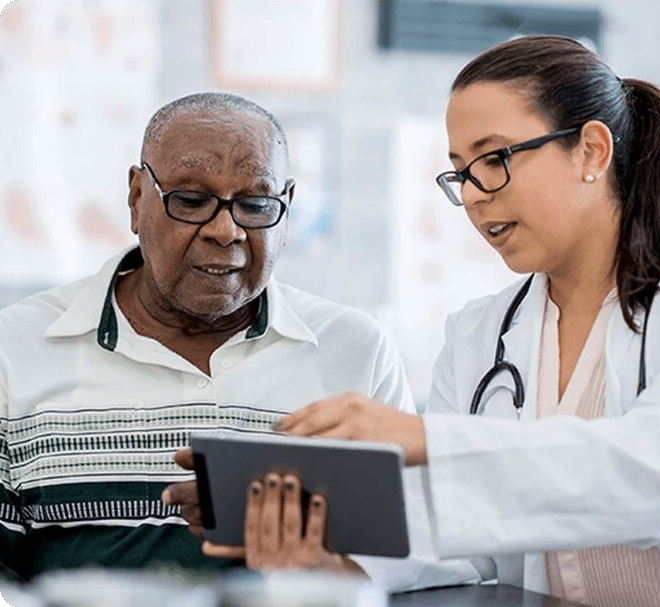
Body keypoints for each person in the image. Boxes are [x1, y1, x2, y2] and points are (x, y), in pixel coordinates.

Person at [264, 36, 660, 606]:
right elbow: (458, 531)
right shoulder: (479, 334)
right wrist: (335, 551)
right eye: (460, 173)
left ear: (591, 152)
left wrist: (425, 438)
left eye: (495, 160)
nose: (473, 196)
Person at [0, 92, 479, 591]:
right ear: (137, 198)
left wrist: (322, 559)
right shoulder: (16, 348)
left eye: (255, 205)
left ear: (286, 209)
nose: (225, 231)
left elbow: (427, 552)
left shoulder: (354, 350)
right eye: (191, 201)